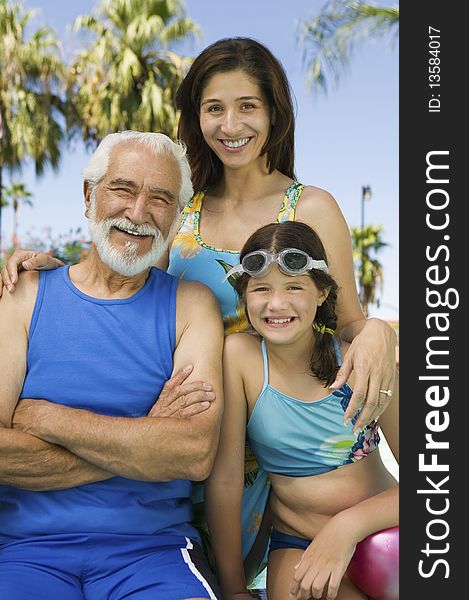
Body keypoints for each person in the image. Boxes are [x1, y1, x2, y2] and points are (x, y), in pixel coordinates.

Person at [0, 37, 398, 584]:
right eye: (214, 108)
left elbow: (345, 318)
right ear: (196, 116)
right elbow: (125, 269)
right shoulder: (177, 209)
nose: (230, 124)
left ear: (274, 113)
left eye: (247, 106)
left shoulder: (310, 208)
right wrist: (51, 267)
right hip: (204, 439)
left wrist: (379, 330)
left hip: (278, 439)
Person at [0, 131, 224, 600]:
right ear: (88, 196)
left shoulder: (191, 305)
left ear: (176, 214)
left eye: (160, 198)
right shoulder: (24, 294)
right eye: (123, 189)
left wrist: (43, 417)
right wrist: (144, 440)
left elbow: (193, 452)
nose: (138, 213)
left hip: (154, 552)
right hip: (23, 551)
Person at [205, 220, 399, 600]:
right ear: (244, 295)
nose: (277, 304)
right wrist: (233, 587)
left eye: (294, 287)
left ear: (322, 292)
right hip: (299, 545)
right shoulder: (241, 359)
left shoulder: (363, 360)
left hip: (386, 535)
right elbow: (226, 479)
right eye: (261, 289)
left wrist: (347, 526)